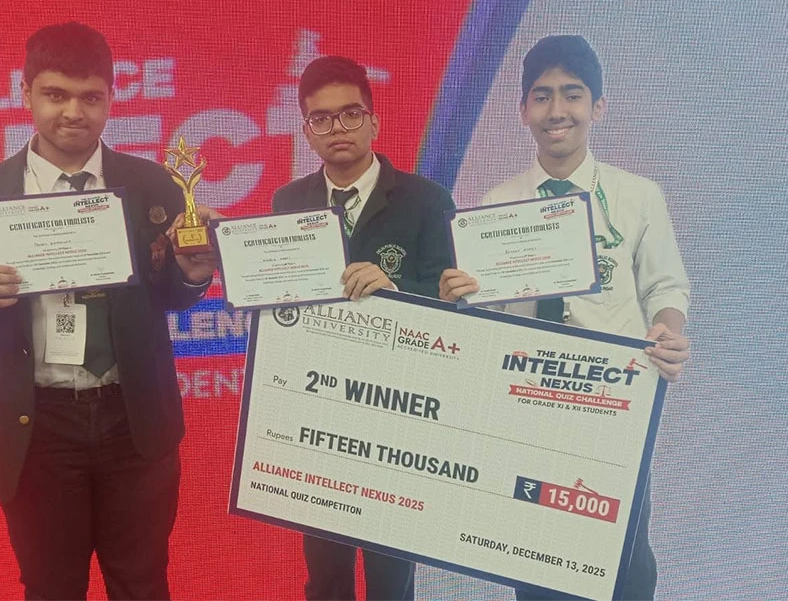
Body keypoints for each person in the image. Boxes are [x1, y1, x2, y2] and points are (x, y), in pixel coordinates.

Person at [0, 22, 219, 600]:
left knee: (142, 585)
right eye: (55, 94)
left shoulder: (154, 185)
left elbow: (172, 293)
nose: (73, 113)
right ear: (26, 93)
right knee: (50, 588)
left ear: (110, 98)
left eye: (90, 97)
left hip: (133, 418)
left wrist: (193, 274)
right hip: (35, 424)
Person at [439, 35, 690, 600]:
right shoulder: (495, 205)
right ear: (523, 110)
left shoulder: (637, 196)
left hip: (613, 407)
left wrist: (667, 331)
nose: (557, 110)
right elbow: (487, 316)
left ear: (597, 106)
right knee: (536, 559)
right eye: (542, 95)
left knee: (624, 558)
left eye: (572, 95)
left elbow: (666, 285)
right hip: (527, 408)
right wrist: (461, 297)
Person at [272, 55, 455, 600]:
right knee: (325, 577)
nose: (338, 128)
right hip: (318, 414)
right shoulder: (289, 203)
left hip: (398, 416)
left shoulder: (427, 201)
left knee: (391, 580)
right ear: (307, 130)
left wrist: (395, 293)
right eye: (321, 118)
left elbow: (452, 307)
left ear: (374, 121)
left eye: (350, 114)